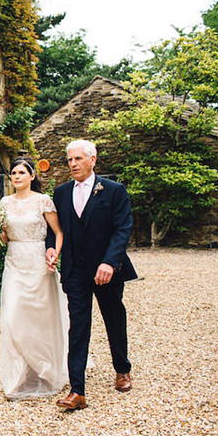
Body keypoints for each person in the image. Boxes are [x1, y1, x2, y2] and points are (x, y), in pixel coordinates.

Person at [46, 139, 137, 411]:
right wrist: (51, 248)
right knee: (78, 327)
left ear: (92, 160)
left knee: (114, 318)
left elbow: (123, 229)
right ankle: (77, 391)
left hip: (106, 271)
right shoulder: (61, 193)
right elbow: (55, 228)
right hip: (75, 271)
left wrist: (110, 262)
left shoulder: (114, 190)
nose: (73, 164)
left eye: (78, 159)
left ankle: (122, 369)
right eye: (69, 160)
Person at [0, 156, 68, 400]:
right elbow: (6, 238)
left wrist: (54, 253)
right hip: (14, 263)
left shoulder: (43, 200)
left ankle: (45, 369)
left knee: (39, 317)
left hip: (38, 263)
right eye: (13, 173)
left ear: (32, 176)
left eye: (22, 172)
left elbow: (58, 232)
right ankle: (16, 377)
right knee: (12, 317)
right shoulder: (4, 202)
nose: (16, 176)